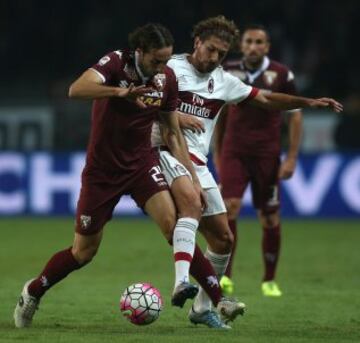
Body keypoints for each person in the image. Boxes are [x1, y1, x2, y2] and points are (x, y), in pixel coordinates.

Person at [13, 23, 224, 329]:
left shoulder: (166, 79)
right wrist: (120, 92)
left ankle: (218, 298)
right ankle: (33, 291)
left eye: (166, 61)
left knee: (173, 226)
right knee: (83, 253)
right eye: (156, 61)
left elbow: (171, 131)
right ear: (140, 52)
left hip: (141, 164)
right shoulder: (115, 63)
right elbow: (76, 89)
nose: (162, 68)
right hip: (102, 172)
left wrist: (191, 176)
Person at [152, 16, 342, 327]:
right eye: (211, 49)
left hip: (197, 161)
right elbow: (144, 102)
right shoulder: (170, 67)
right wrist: (175, 118)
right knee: (191, 206)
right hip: (165, 151)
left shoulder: (224, 81)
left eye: (221, 54)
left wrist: (307, 102)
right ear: (197, 42)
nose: (214, 58)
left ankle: (201, 309)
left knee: (224, 239)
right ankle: (181, 281)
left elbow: (266, 98)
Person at [213, 24, 303, 297]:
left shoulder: (282, 74)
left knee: (269, 217)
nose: (253, 46)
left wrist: (291, 158)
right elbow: (220, 115)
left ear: (267, 47)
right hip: (234, 152)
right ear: (241, 45)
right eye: (249, 41)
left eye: (259, 42)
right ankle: (225, 277)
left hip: (267, 155)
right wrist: (217, 154)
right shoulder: (227, 71)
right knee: (229, 208)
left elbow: (295, 116)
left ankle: (269, 280)